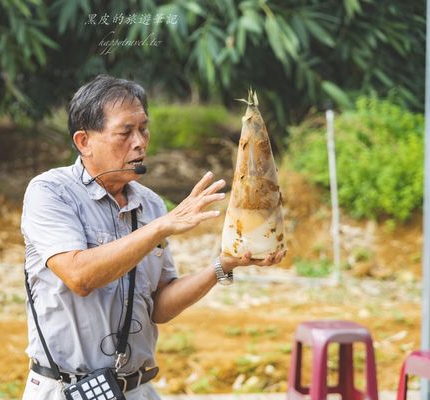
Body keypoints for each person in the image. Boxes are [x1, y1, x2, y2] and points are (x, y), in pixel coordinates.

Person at [20, 75, 285, 399]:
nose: (140, 142)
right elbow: (79, 276)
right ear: (83, 141)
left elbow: (158, 307)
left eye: (143, 128)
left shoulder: (150, 204)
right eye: (125, 132)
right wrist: (161, 226)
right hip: (65, 390)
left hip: (136, 389)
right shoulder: (50, 192)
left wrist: (224, 264)